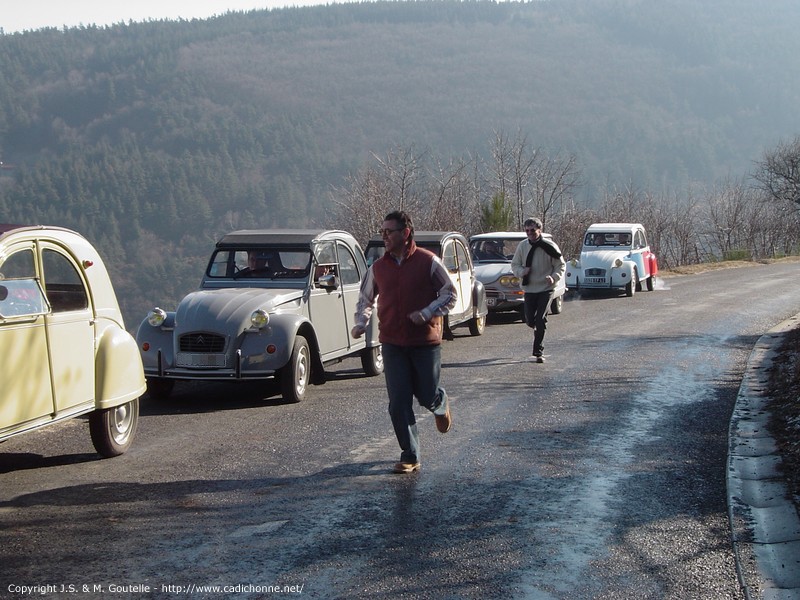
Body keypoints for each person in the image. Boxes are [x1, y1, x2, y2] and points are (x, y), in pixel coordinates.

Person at [351, 210, 457, 474]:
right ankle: (410, 454)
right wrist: (361, 323)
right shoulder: (377, 268)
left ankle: (439, 402)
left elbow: (450, 293)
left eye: (389, 231)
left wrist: (428, 311)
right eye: (382, 232)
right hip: (392, 343)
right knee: (398, 402)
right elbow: (365, 300)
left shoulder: (428, 262)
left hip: (425, 342)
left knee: (425, 394)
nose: (384, 236)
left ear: (405, 233)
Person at [511, 217, 565, 363]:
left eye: (532, 230)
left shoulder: (549, 246)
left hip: (546, 288)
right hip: (529, 288)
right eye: (527, 230)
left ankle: (538, 351)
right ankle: (537, 327)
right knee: (529, 319)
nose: (530, 233)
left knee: (540, 319)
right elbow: (514, 265)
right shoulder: (522, 246)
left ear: (539, 230)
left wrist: (553, 277)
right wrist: (522, 272)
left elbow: (561, 265)